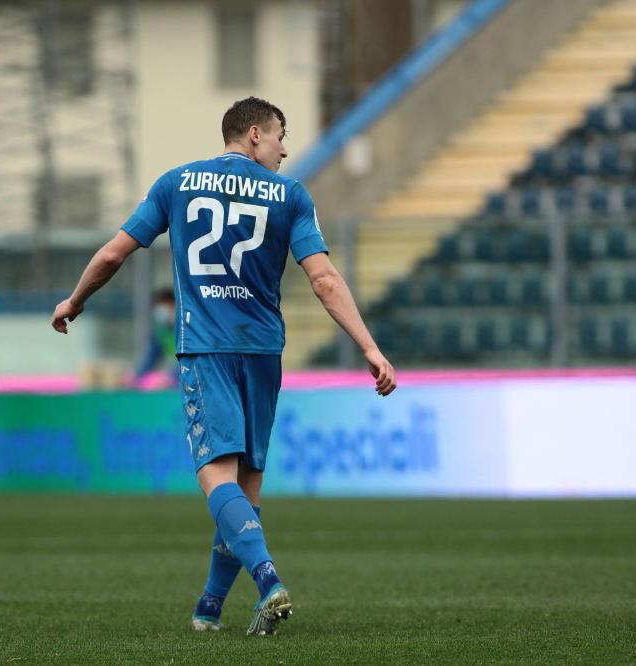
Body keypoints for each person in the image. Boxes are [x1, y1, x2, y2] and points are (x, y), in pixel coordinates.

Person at [51, 96, 396, 636]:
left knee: (216, 476)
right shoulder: (290, 195)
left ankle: (268, 581)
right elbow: (324, 279)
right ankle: (209, 610)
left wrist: (75, 300)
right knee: (247, 491)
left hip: (206, 347)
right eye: (281, 135)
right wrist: (370, 348)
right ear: (254, 134)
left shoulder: (176, 183)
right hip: (262, 352)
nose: (286, 148)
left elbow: (113, 254)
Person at [132, 289, 178, 388]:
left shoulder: (188, 329)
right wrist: (136, 376)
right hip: (173, 381)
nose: (163, 310)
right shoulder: (161, 330)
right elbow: (151, 356)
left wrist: (170, 376)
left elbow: (188, 357)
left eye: (167, 305)